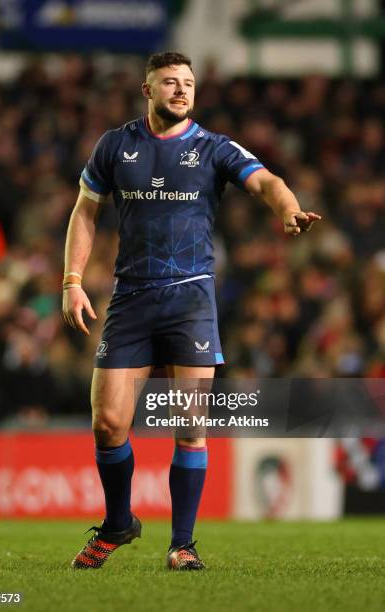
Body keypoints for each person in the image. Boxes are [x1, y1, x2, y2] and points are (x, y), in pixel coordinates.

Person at [62, 51, 321, 570]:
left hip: (191, 302)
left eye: (188, 83)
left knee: (190, 424)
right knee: (108, 424)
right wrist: (72, 281)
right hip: (131, 298)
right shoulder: (115, 145)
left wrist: (288, 209)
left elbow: (267, 181)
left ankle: (182, 545)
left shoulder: (212, 147)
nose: (181, 91)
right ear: (147, 90)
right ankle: (118, 523)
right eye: (170, 83)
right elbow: (85, 210)